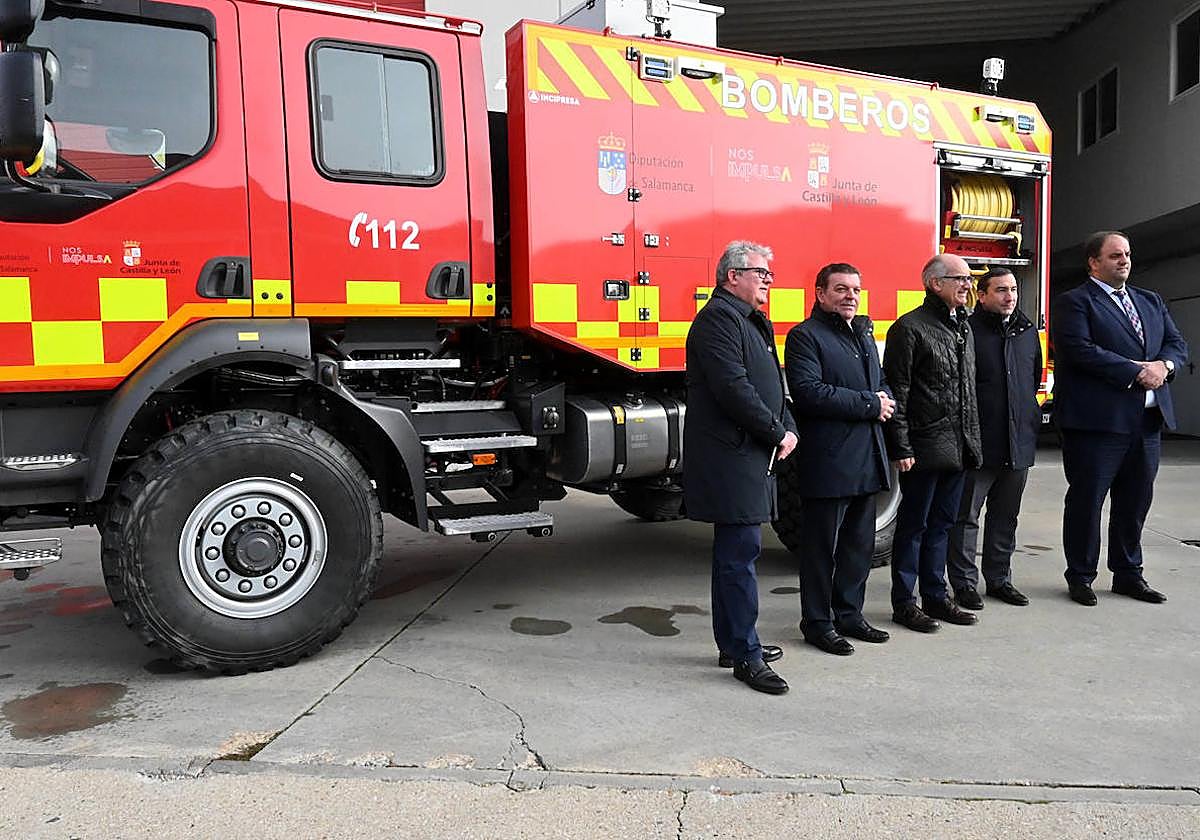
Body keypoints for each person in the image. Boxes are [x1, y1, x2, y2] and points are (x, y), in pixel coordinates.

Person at [684, 240, 798, 695]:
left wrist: (785, 421)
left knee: (736, 556)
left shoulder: (748, 320)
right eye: (762, 274)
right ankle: (745, 656)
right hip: (733, 456)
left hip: (749, 453)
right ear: (734, 276)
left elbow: (771, 382)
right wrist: (776, 431)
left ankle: (735, 643)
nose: (769, 281)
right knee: (739, 557)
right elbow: (734, 388)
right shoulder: (717, 320)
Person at [1051, 231, 1188, 606]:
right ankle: (1080, 576)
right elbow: (1080, 350)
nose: (1124, 260)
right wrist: (1134, 370)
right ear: (1093, 262)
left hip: (1146, 423)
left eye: (1126, 254)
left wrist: (1164, 365)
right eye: (1114, 256)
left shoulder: (1150, 301)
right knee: (1087, 501)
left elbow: (1177, 344)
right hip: (1097, 424)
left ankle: (1129, 574)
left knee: (1135, 501)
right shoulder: (1075, 302)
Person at [784, 263, 894, 656]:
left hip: (867, 457)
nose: (851, 296)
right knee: (819, 550)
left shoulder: (863, 334)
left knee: (858, 546)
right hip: (829, 461)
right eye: (841, 289)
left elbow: (878, 384)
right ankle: (816, 622)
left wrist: (883, 400)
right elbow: (809, 392)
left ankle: (850, 614)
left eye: (856, 290)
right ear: (820, 293)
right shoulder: (804, 337)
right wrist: (870, 404)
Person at [882, 254, 982, 633]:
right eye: (959, 278)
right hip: (924, 448)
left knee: (942, 525)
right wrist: (902, 447)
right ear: (934, 283)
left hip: (958, 447)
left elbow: (967, 392)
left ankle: (936, 597)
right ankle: (905, 604)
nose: (967, 285)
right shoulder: (909, 329)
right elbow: (900, 393)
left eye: (969, 279)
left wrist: (972, 441)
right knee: (914, 527)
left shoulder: (963, 328)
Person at [947, 267, 1042, 609]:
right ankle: (964, 584)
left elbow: (1032, 381)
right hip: (979, 443)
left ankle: (1000, 579)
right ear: (982, 295)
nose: (1009, 296)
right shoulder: (967, 332)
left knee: (1006, 516)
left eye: (1013, 289)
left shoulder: (1027, 331)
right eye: (1001, 290)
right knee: (965, 517)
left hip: (1018, 441)